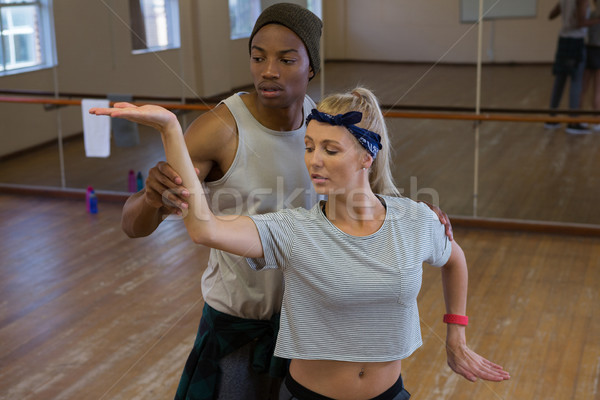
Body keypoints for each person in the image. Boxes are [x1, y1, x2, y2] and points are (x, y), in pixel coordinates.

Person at [116, 3, 453, 400]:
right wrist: (153, 197)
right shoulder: (220, 129)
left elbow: (370, 191)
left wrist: (418, 216)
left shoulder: (323, 123)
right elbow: (132, 224)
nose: (268, 70)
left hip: (312, 329)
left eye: (285, 59)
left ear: (311, 66)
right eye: (258, 57)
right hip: (240, 324)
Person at [90, 86, 509, 400]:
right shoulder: (293, 229)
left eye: (330, 149)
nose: (314, 160)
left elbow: (454, 258)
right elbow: (205, 229)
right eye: (308, 147)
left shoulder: (415, 218)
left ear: (367, 156)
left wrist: (456, 336)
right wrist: (169, 129)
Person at [545, 0, 600, 134]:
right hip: (575, 41)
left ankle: (551, 118)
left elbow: (551, 15)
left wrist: (566, 16)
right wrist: (597, 20)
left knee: (560, 80)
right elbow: (580, 23)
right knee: (576, 82)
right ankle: (573, 122)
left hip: (563, 38)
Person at [580, 0, 600, 129]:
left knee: (583, 87)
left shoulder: (591, 15)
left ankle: (579, 118)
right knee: (598, 89)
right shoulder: (594, 16)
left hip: (589, 49)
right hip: (597, 50)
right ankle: (597, 120)